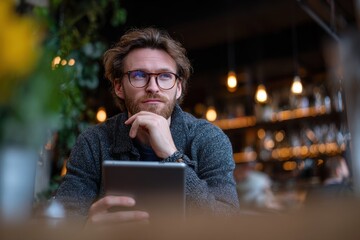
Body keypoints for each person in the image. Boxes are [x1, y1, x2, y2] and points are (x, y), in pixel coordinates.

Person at [54, 27, 239, 225]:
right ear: (119, 87)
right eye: (139, 75)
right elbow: (63, 220)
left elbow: (227, 223)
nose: (153, 87)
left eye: (165, 76)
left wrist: (172, 156)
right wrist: (87, 229)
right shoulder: (93, 142)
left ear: (179, 87)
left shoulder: (209, 138)